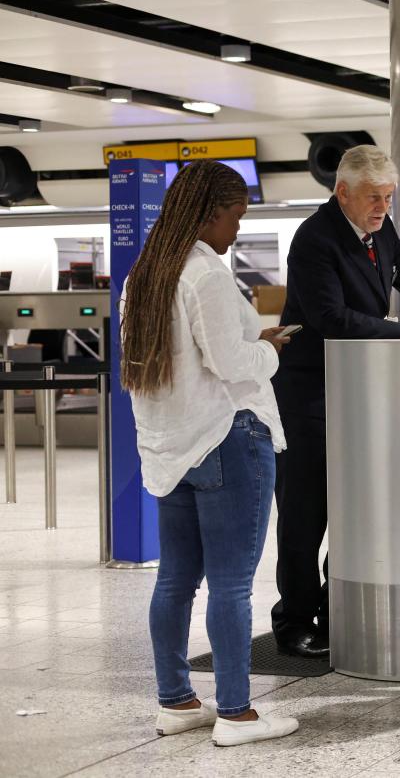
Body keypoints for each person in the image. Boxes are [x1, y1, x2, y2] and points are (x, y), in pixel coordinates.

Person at [271, 145, 400, 658]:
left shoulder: (379, 229)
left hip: (358, 391)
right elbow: (329, 318)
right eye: (373, 197)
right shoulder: (314, 239)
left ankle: (335, 608)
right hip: (310, 395)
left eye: (388, 197)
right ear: (342, 192)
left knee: (352, 509)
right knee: (305, 512)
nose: (383, 207)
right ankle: (294, 619)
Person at [121, 160, 298, 746]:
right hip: (228, 438)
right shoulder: (205, 274)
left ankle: (176, 701)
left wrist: (253, 340)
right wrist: (270, 351)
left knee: (175, 579)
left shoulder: (144, 275)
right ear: (210, 212)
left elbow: (177, 360)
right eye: (236, 217)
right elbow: (231, 363)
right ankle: (237, 714)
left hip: (172, 446)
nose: (237, 231)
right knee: (230, 584)